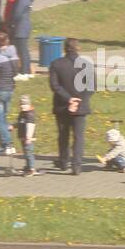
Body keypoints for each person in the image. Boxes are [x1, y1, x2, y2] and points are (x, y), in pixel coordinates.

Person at [50, 38, 92, 175]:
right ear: (78, 48)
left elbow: (54, 86)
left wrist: (69, 99)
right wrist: (78, 100)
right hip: (80, 107)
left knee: (63, 135)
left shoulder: (56, 64)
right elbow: (91, 87)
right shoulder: (86, 65)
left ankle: (63, 161)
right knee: (79, 137)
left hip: (62, 105)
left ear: (64, 48)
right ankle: (77, 166)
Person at [8, 0, 33, 80]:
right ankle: (26, 70)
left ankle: (24, 72)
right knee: (24, 50)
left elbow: (17, 12)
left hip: (20, 27)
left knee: (22, 50)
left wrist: (12, 22)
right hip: (23, 26)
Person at [15, 94, 38, 176]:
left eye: (24, 104)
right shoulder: (22, 113)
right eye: (21, 104)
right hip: (23, 137)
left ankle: (31, 169)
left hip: (28, 138)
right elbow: (20, 122)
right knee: (26, 153)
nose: (22, 106)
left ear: (29, 104)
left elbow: (30, 126)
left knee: (29, 153)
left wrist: (28, 137)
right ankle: (28, 166)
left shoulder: (30, 114)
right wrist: (13, 126)